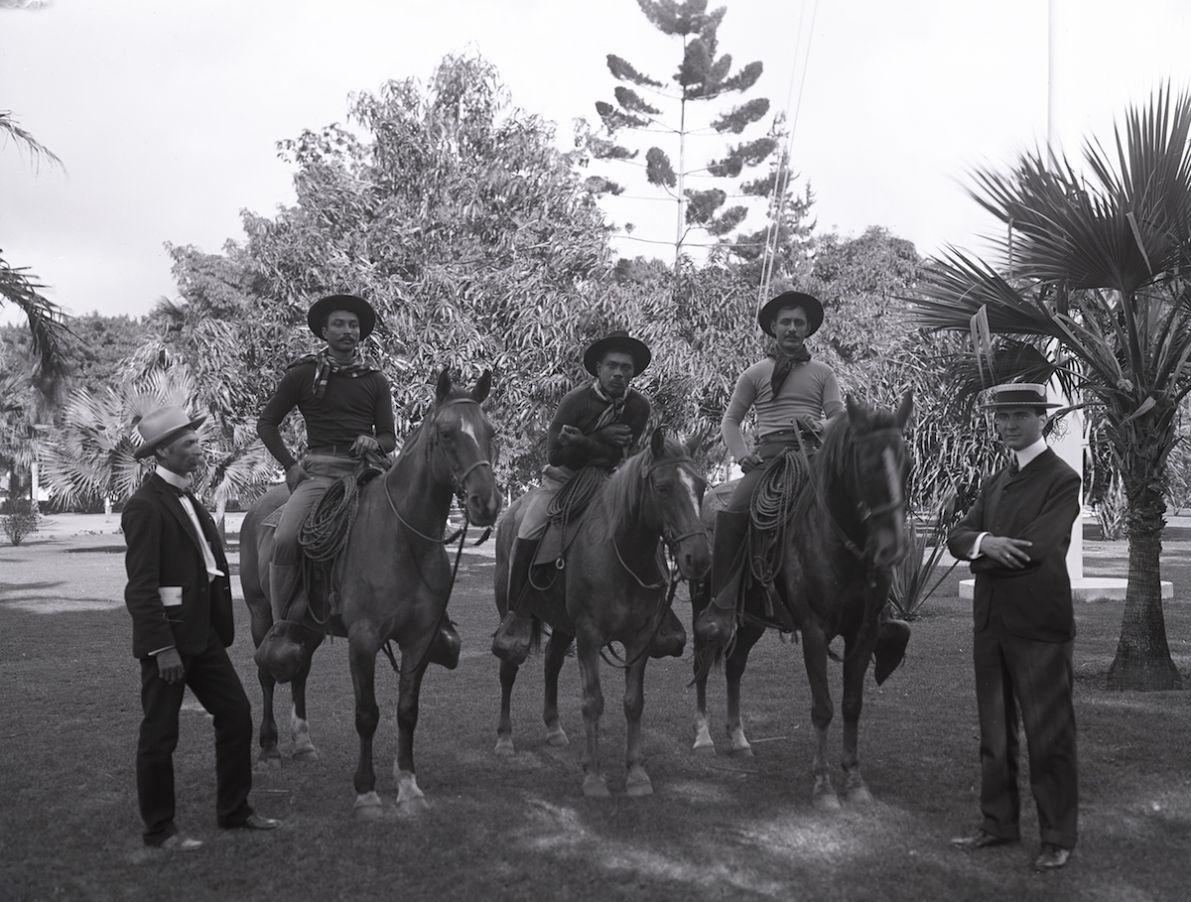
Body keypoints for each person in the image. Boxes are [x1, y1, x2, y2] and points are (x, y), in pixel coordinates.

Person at [123, 406, 280, 851]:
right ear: (163, 451)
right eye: (189, 443)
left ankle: (233, 811)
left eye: (197, 440)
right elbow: (142, 587)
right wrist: (161, 648)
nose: (198, 448)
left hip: (205, 637)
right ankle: (159, 830)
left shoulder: (190, 499)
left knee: (235, 715)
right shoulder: (144, 507)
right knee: (160, 735)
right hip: (169, 644)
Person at [946, 382, 1080, 871]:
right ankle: (998, 824)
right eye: (1001, 418)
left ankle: (1057, 837)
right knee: (995, 733)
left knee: (1050, 735)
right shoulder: (994, 480)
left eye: (1018, 416)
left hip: (1039, 625)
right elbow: (957, 534)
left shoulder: (1062, 479)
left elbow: (1036, 549)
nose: (1007, 426)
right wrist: (984, 541)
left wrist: (985, 552)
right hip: (991, 625)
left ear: (1040, 419)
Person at [491, 330, 683, 662]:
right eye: (612, 365)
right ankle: (518, 613)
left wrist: (584, 441)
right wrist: (598, 439)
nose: (620, 373)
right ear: (598, 367)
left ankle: (658, 612)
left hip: (612, 481)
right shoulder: (575, 401)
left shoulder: (638, 406)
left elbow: (616, 455)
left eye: (627, 367)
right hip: (564, 480)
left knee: (648, 528)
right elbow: (555, 454)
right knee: (528, 528)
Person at [253, 293, 398, 680]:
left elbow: (388, 436)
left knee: (406, 523)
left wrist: (375, 442)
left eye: (353, 325)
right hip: (319, 473)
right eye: (339, 324)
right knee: (285, 538)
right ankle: (283, 626)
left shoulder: (374, 379)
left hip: (365, 473)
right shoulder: (302, 374)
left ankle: (429, 617)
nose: (348, 331)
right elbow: (266, 423)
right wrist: (289, 466)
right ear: (323, 330)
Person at [695, 290, 845, 641]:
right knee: (733, 513)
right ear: (773, 328)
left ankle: (876, 601)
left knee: (858, 504)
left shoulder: (824, 373)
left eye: (799, 323)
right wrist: (740, 454)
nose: (792, 329)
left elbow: (839, 416)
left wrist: (821, 426)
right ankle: (723, 601)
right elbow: (731, 421)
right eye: (786, 322)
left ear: (808, 329)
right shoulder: (755, 373)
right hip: (768, 460)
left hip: (812, 457)